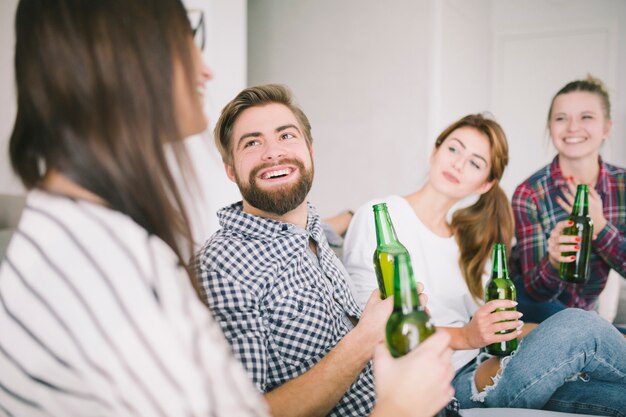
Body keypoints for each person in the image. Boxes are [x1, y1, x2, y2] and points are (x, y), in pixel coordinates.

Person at [0, 2, 451, 417]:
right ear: (120, 61)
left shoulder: (103, 238)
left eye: (287, 136)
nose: (206, 69)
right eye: (186, 39)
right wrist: (398, 409)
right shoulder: (99, 265)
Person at [195, 84, 455, 417]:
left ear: (310, 151)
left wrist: (389, 330)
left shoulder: (314, 233)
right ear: (230, 169)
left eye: (286, 136)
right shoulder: (220, 267)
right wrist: (364, 338)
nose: (273, 152)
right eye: (252, 142)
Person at [342, 113, 626, 415]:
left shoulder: (470, 245)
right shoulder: (383, 216)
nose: (458, 163)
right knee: (580, 324)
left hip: (486, 362)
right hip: (444, 382)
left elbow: (493, 331)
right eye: (454, 149)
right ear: (434, 151)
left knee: (616, 398)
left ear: (486, 184)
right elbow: (371, 326)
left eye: (476, 162)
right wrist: (465, 336)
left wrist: (547, 336)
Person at [508, 75, 626, 324]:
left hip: (584, 317)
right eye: (561, 118)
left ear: (606, 128)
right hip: (531, 308)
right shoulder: (528, 194)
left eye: (586, 117)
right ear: (550, 127)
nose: (572, 128)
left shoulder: (622, 186)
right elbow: (536, 290)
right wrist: (553, 260)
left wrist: (601, 227)